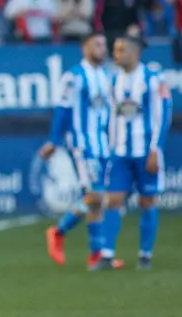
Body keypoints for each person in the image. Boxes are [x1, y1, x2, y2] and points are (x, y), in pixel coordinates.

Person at [40, 31, 123, 270]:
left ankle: (96, 254)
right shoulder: (74, 77)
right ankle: (58, 230)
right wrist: (53, 141)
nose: (102, 48)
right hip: (82, 144)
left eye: (103, 44)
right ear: (84, 47)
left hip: (103, 144)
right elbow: (62, 110)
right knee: (96, 194)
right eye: (97, 44)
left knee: (97, 201)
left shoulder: (106, 75)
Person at [92, 35, 172, 270]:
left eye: (120, 50)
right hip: (120, 153)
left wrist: (155, 149)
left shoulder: (154, 79)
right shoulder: (112, 80)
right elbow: (108, 115)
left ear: (135, 52)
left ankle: (145, 255)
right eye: (114, 49)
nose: (115, 54)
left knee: (147, 201)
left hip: (145, 151)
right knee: (113, 200)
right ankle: (107, 255)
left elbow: (163, 115)